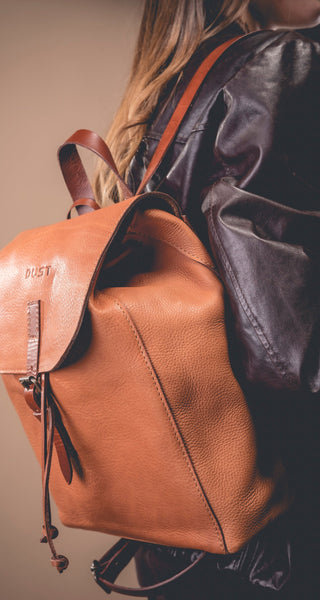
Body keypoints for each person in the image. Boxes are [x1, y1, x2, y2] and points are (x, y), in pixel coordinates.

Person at [93, 1, 320, 598]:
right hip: (285, 528)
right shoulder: (280, 64)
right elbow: (280, 341)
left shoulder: (156, 102)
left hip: (179, 530)